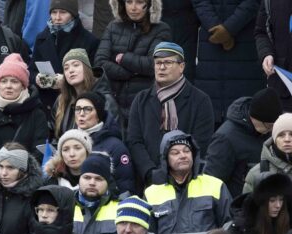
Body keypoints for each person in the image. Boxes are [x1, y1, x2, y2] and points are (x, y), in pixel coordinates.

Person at [127, 42, 215, 186]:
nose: (161, 67)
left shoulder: (200, 100)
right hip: (149, 181)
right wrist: (150, 172)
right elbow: (134, 141)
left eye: (168, 62)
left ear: (182, 67)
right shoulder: (141, 99)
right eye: (158, 63)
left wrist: (178, 171)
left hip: (187, 179)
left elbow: (201, 142)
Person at [93, 0, 169, 119]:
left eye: (139, 2)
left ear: (150, 4)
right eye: (129, 2)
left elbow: (152, 64)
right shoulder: (113, 26)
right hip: (113, 103)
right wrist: (130, 72)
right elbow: (99, 63)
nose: (133, 8)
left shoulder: (161, 29)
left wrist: (124, 59)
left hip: (145, 104)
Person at [206, 89, 282, 198]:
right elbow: (212, 181)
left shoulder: (271, 133)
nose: (273, 130)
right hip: (238, 207)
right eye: (269, 126)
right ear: (254, 117)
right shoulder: (225, 138)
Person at [244, 114, 292, 194]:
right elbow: (247, 206)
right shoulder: (256, 174)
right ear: (274, 139)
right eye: (281, 135)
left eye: (291, 134)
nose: (287, 139)